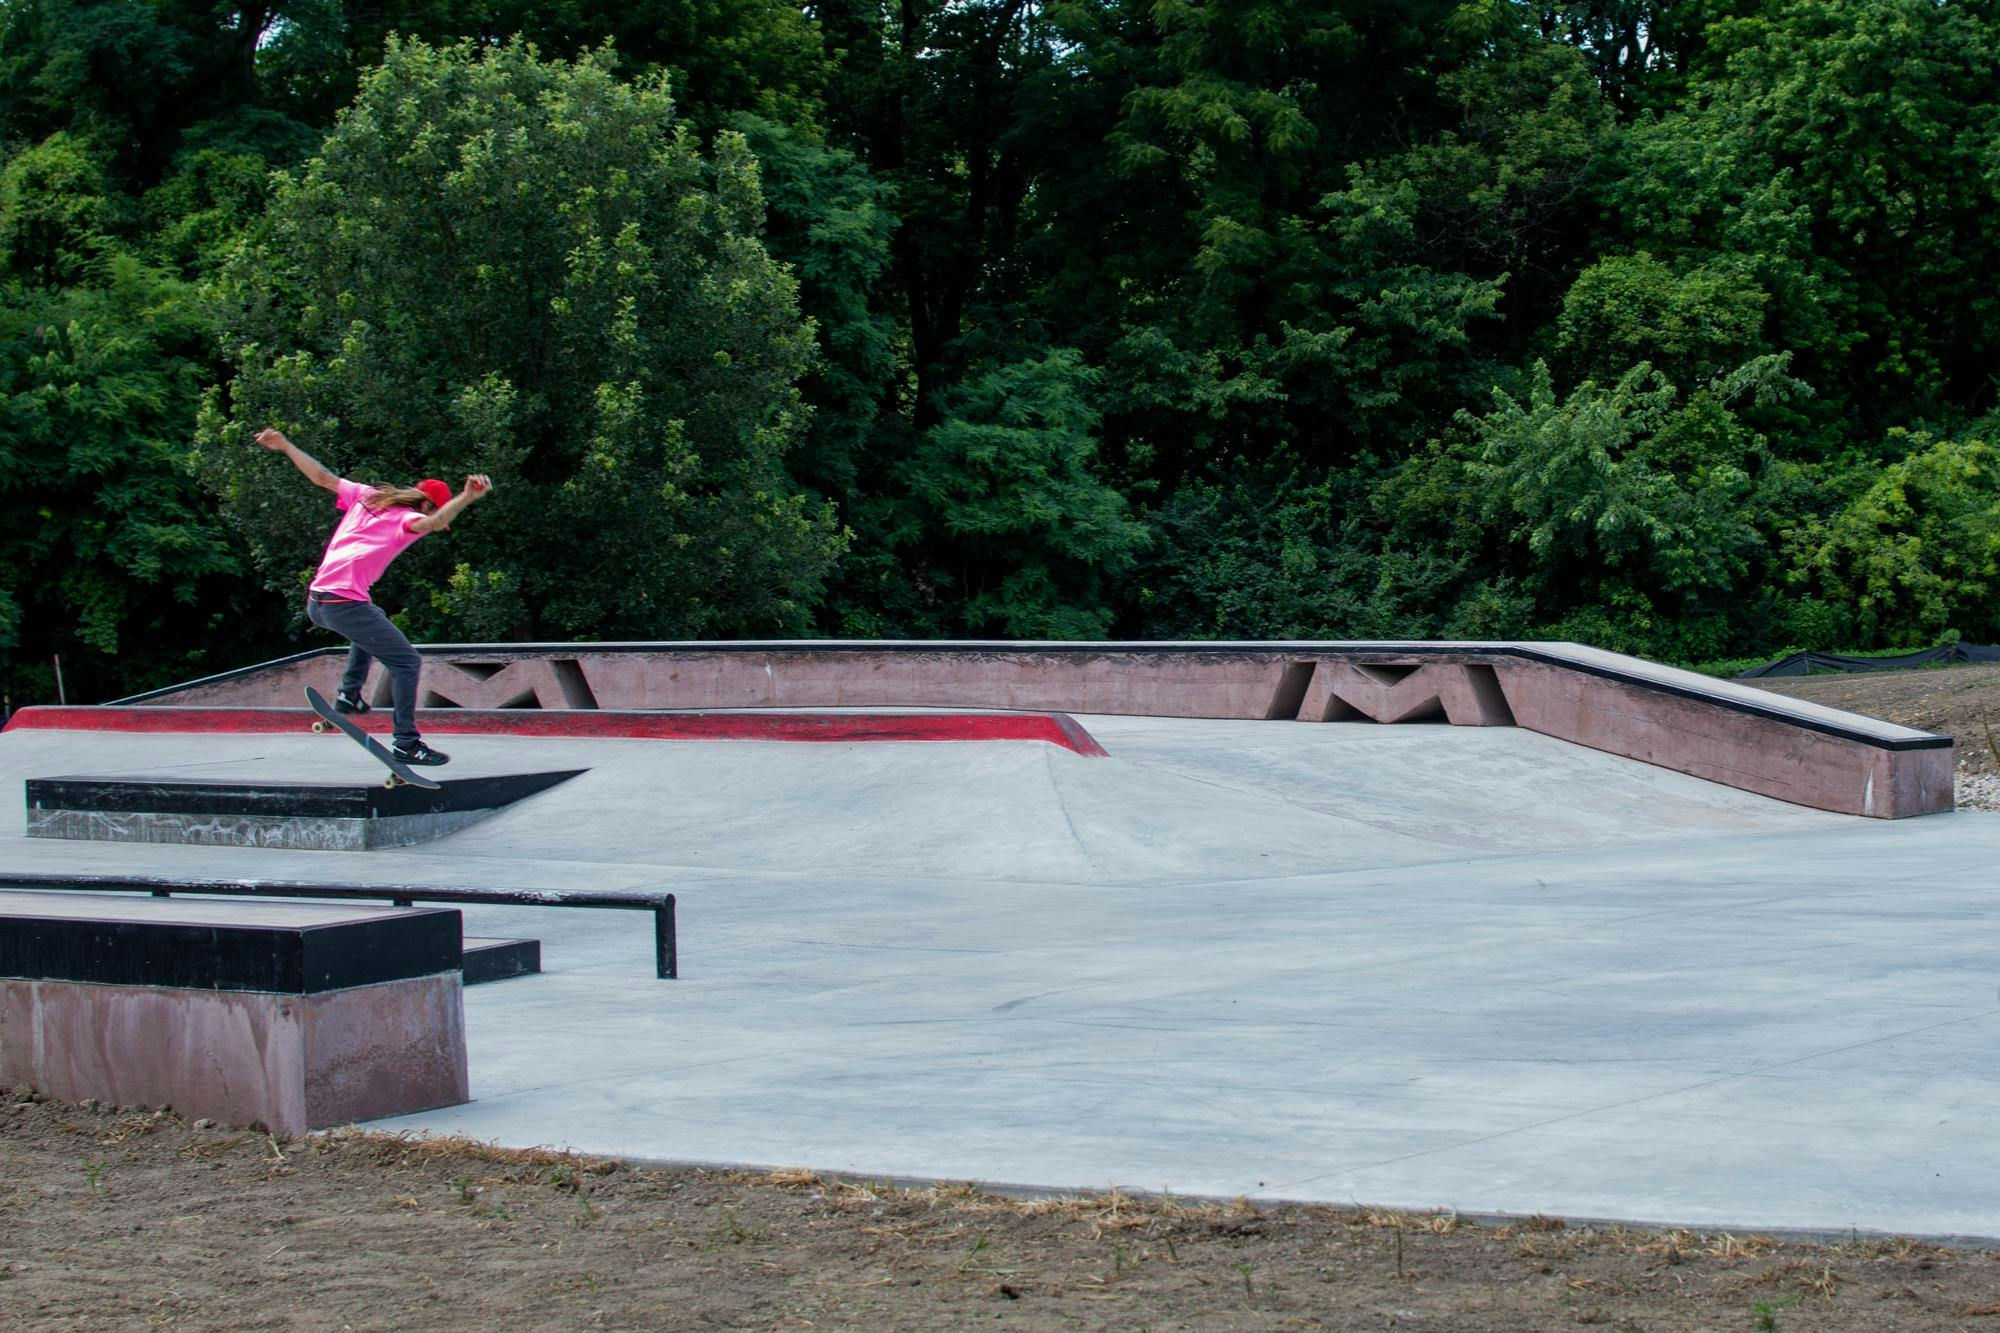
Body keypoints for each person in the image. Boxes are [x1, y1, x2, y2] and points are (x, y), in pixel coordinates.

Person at [256, 428, 491, 766]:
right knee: (407, 662)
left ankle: (350, 694)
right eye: (428, 511)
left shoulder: (366, 496)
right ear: (424, 504)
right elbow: (436, 521)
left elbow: (321, 477)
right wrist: (467, 497)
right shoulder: (409, 519)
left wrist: (286, 445)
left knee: (373, 617)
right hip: (343, 605)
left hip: (318, 602)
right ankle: (406, 743)